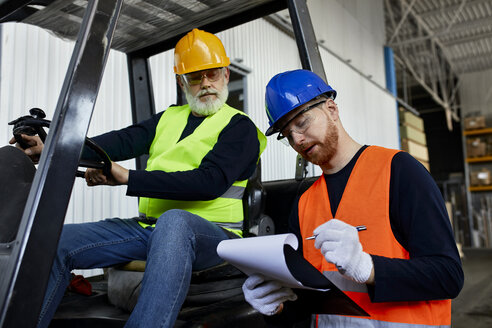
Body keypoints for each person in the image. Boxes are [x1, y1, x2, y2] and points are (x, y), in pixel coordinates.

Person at [11, 28, 266, 328]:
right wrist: (52, 147)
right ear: (181, 81)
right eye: (196, 77)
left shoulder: (240, 127)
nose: (206, 84)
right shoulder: (169, 118)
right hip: (152, 231)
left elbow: (209, 182)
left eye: (212, 74)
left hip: (215, 238)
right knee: (55, 242)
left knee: (175, 221)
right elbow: (119, 141)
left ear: (225, 74)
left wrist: (128, 177)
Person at [242, 69, 463, 327]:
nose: (297, 140)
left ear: (332, 109)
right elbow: (311, 302)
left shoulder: (398, 171)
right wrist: (278, 307)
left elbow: (448, 276)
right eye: (287, 134)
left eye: (301, 123)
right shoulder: (304, 204)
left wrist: (367, 268)